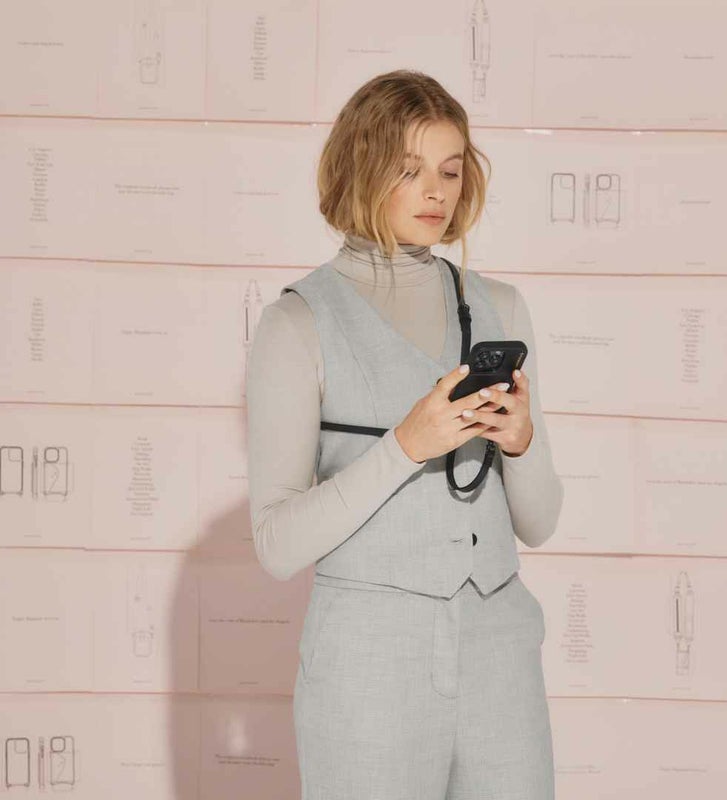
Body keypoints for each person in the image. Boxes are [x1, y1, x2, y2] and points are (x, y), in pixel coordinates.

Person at [246, 69, 564, 800]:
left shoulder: (502, 307)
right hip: (367, 662)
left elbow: (540, 523)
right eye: (409, 169)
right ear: (361, 168)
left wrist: (520, 444)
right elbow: (276, 545)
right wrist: (405, 447)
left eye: (450, 171)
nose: (436, 192)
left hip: (500, 656)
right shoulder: (297, 322)